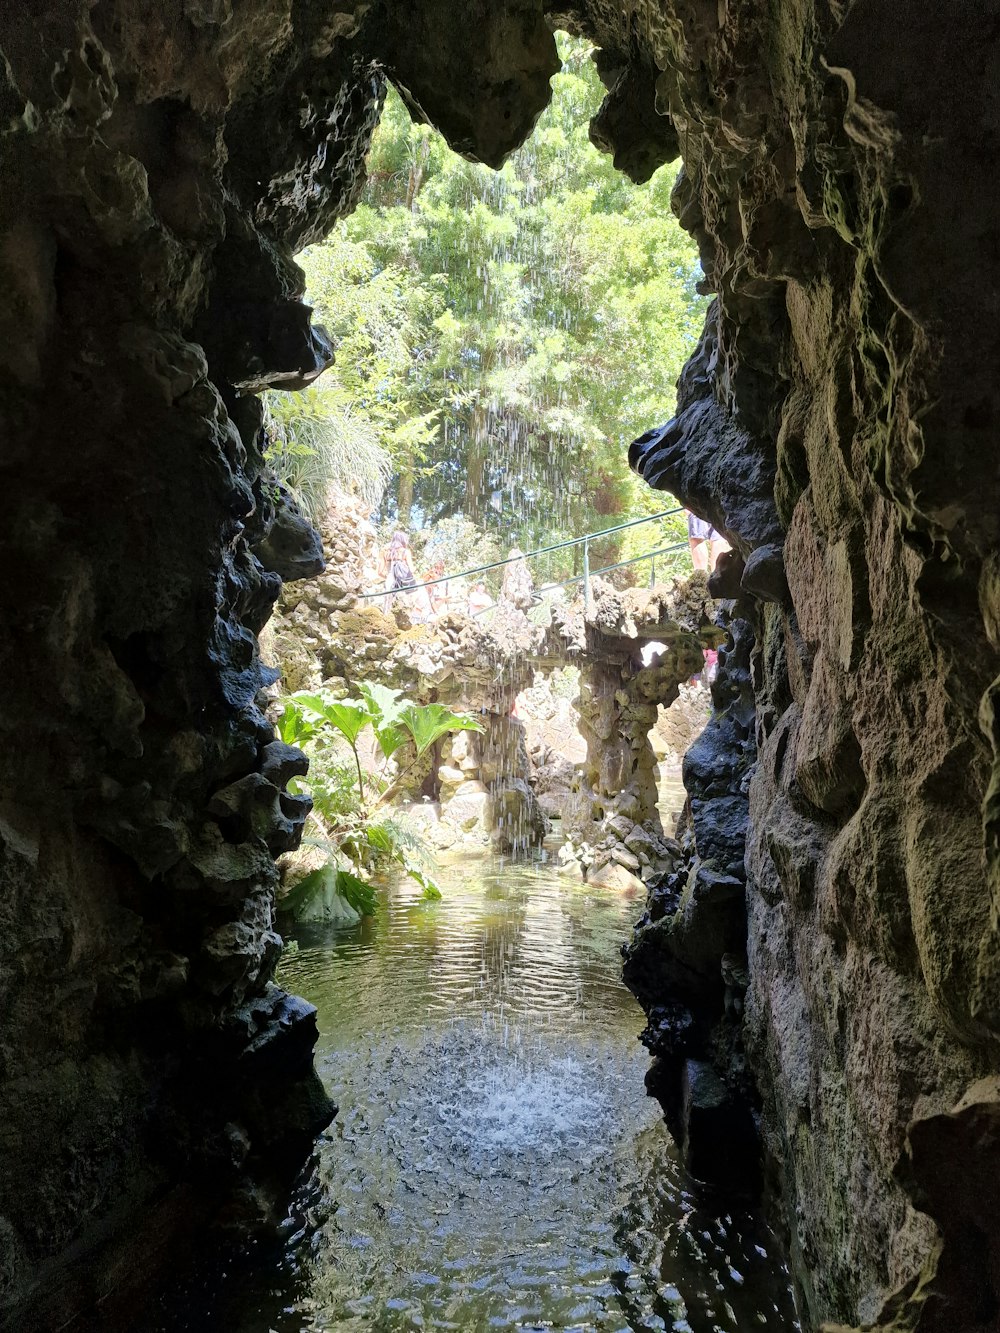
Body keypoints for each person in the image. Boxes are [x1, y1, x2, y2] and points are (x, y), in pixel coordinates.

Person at [379, 530, 417, 608]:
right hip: (402, 584)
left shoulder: (385, 552)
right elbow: (412, 570)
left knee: (387, 606)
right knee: (400, 607)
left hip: (389, 582)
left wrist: (389, 577)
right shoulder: (406, 552)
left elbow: (379, 572)